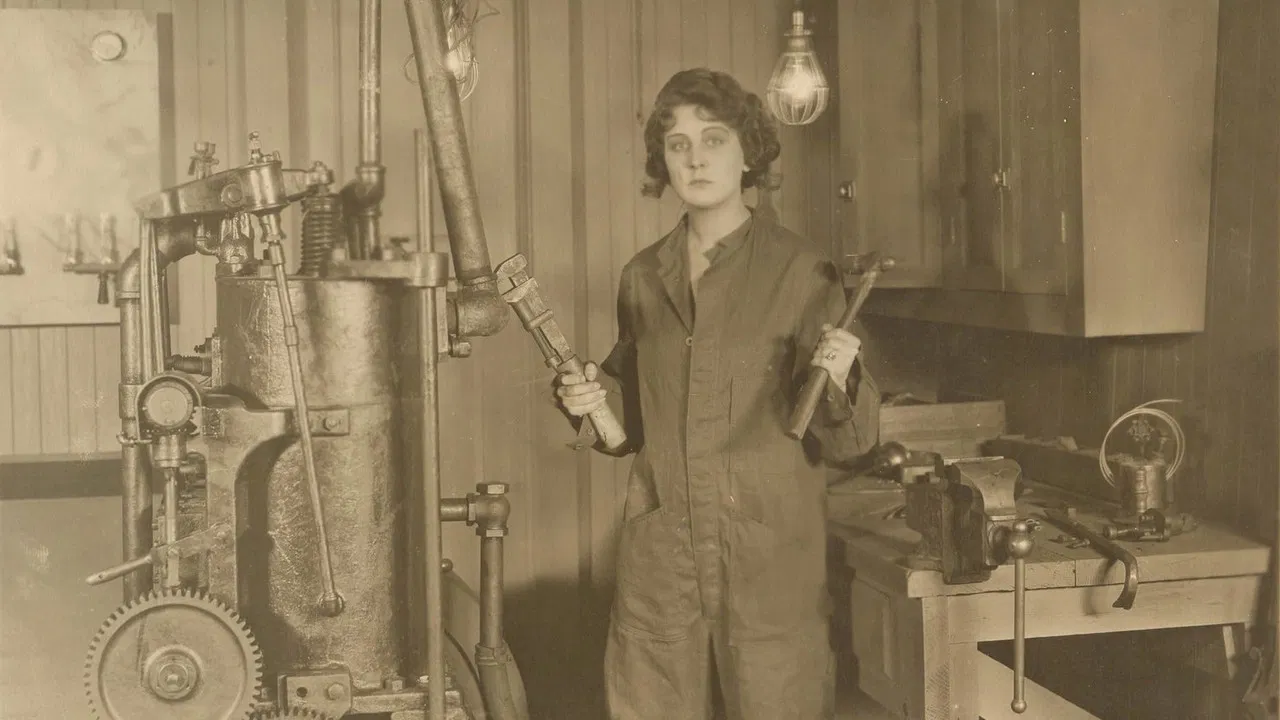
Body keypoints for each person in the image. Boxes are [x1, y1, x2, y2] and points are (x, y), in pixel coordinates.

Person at [555, 68, 881, 720]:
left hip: (767, 555)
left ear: (747, 151)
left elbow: (851, 442)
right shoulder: (643, 276)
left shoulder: (801, 271)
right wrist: (589, 399)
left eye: (714, 139)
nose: (696, 159)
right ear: (662, 161)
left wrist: (844, 376)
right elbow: (632, 422)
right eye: (677, 145)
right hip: (663, 556)